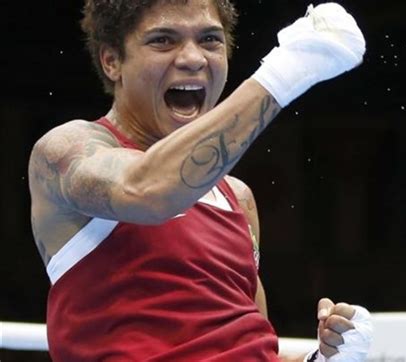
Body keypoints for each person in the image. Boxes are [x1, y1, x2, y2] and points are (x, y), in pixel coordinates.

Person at [28, 0, 372, 361]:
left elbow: (246, 348)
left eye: (210, 40)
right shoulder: (66, 151)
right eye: (163, 40)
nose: (193, 58)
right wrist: (287, 71)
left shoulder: (237, 198)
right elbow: (148, 191)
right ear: (112, 61)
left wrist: (323, 358)